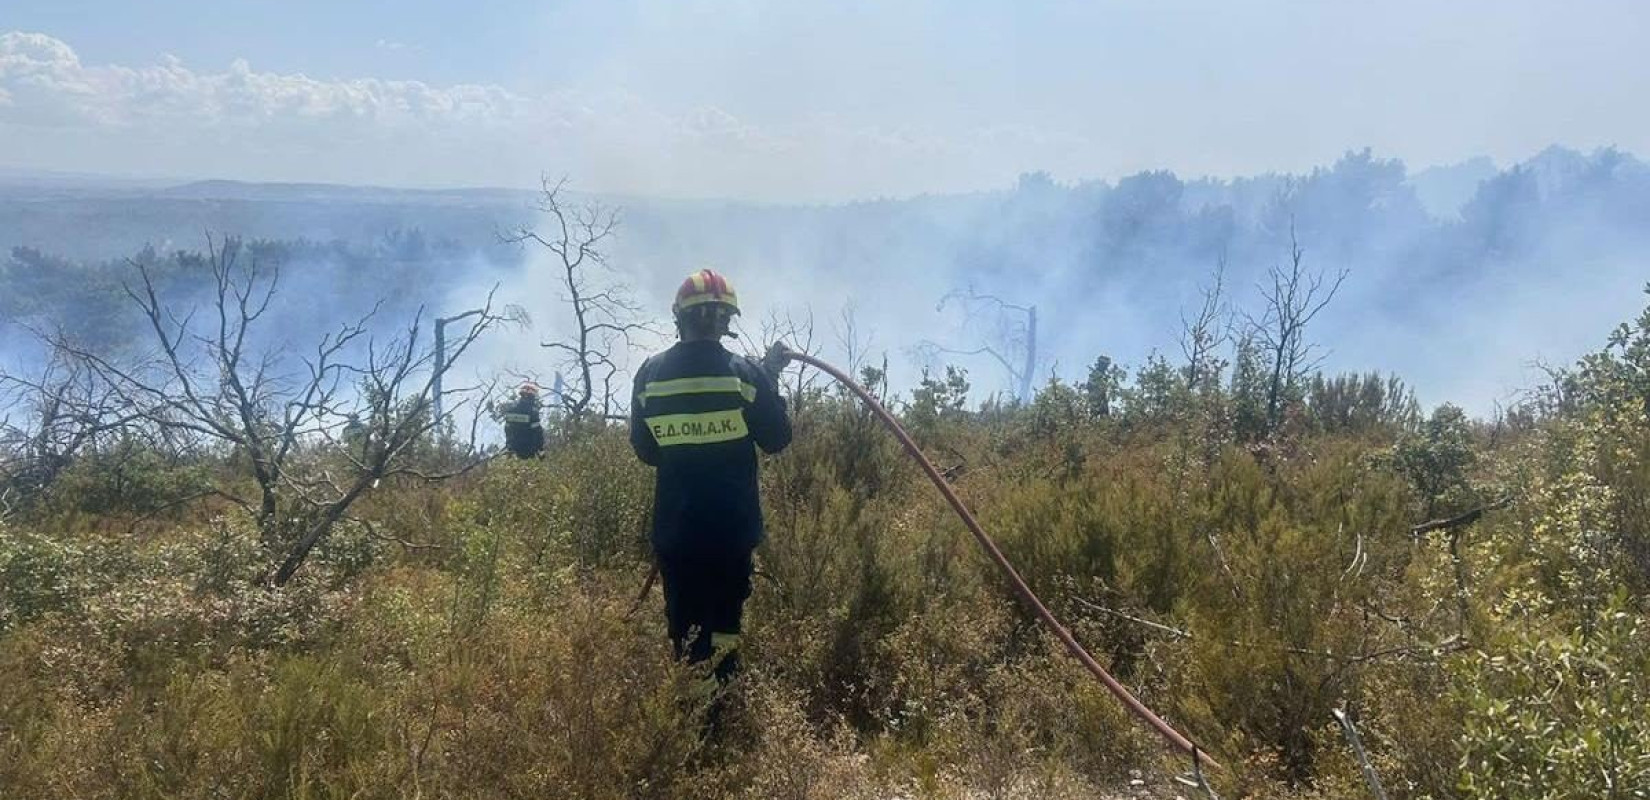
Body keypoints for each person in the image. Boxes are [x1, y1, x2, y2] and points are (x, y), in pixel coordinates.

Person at [629, 269, 792, 695]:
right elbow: (776, 439)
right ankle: (722, 699)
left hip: (678, 531)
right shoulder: (744, 375)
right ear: (726, 321)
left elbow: (646, 451)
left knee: (685, 624)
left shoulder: (650, 376)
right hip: (731, 531)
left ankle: (691, 712)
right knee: (725, 621)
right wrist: (769, 377)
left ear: (678, 319)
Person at [500, 383, 545, 459]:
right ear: (532, 397)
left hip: (514, 448)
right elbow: (538, 432)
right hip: (529, 449)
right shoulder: (533, 412)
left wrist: (509, 445)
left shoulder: (512, 409)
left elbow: (507, 429)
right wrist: (540, 449)